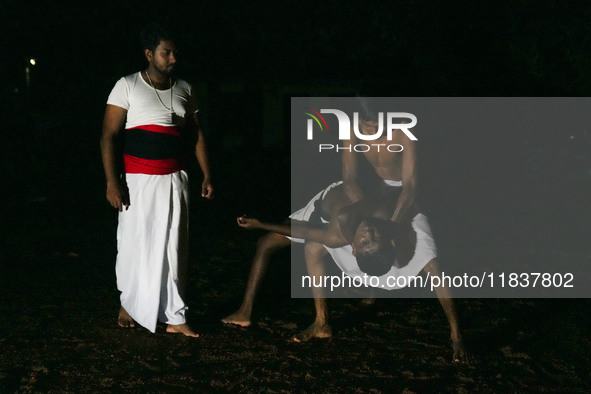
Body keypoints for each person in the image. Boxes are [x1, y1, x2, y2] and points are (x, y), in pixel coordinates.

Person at [223, 98, 467, 362]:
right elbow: (350, 178)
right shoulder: (351, 130)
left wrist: (392, 227)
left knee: (432, 264)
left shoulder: (403, 132)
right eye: (365, 125)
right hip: (369, 195)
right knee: (312, 241)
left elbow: (409, 187)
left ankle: (455, 334)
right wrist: (362, 208)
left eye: (376, 126)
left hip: (404, 196)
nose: (370, 131)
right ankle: (320, 321)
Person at [100, 23, 213, 337]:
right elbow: (108, 137)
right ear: (149, 54)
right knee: (135, 243)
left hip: (175, 177)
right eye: (166, 52)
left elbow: (196, 134)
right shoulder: (127, 85)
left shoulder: (185, 88)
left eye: (175, 52)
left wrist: (207, 173)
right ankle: (129, 303)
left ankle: (175, 315)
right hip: (138, 180)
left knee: (174, 246)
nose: (173, 58)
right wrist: (112, 182)